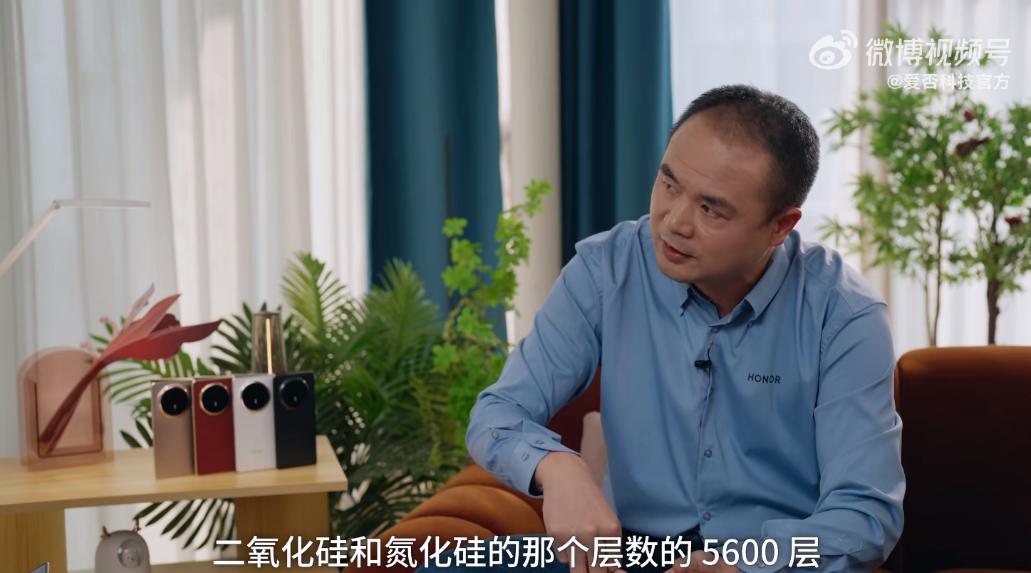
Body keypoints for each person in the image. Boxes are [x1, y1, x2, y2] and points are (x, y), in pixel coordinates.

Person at [459, 84, 905, 573]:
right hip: (627, 553)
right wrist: (558, 466)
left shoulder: (844, 314)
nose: (673, 222)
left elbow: (864, 516)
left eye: (711, 209)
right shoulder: (606, 270)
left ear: (781, 226)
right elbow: (497, 413)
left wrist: (743, 566)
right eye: (669, 184)